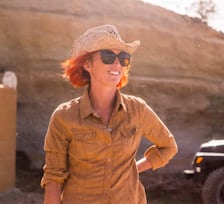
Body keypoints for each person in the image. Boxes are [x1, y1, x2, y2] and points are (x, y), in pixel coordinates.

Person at [40, 24, 178, 204]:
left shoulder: (138, 109)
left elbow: (169, 147)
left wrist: (134, 168)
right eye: (108, 57)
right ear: (87, 64)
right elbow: (53, 180)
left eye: (123, 58)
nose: (116, 64)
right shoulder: (64, 116)